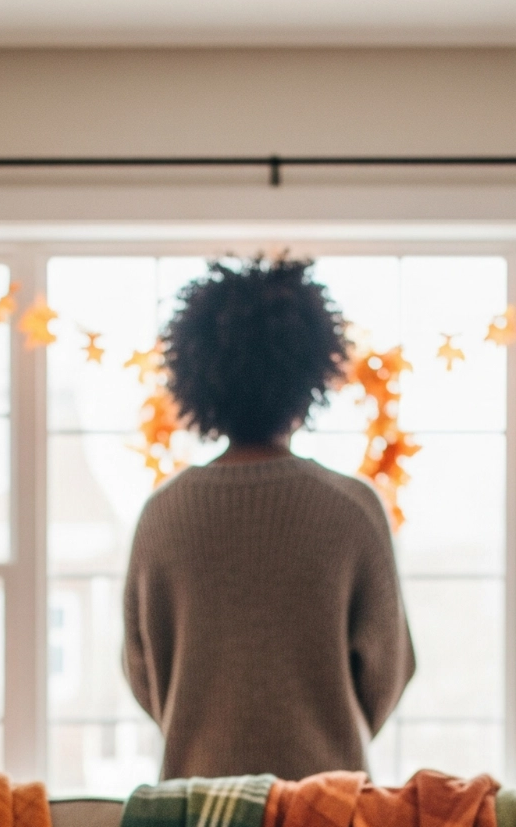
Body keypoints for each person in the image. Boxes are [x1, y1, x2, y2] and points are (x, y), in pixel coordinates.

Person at [122, 257, 415, 781]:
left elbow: (142, 672)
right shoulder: (352, 509)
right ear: (311, 375)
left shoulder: (162, 515)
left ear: (195, 377)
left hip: (193, 812)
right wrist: (326, 731)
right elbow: (390, 671)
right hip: (330, 811)